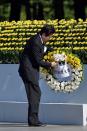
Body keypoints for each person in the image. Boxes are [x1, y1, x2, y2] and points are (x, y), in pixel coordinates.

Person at [18, 24, 57, 126]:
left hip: (30, 70)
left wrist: (51, 51)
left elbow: (42, 50)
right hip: (28, 70)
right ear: (44, 34)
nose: (50, 38)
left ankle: (33, 120)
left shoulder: (39, 40)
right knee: (35, 94)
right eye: (50, 36)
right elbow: (38, 60)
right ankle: (33, 121)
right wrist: (50, 64)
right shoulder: (36, 42)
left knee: (35, 94)